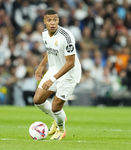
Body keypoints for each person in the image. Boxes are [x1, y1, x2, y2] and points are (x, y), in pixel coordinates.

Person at [33, 9, 81, 140]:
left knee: (56, 106)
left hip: (69, 74)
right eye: (49, 20)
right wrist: (41, 66)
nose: (52, 23)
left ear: (58, 20)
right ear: (44, 21)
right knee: (37, 100)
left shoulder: (66, 36)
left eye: (55, 20)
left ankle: (61, 129)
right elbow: (50, 51)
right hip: (55, 69)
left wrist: (53, 79)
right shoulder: (44, 34)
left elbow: (70, 63)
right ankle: (58, 118)